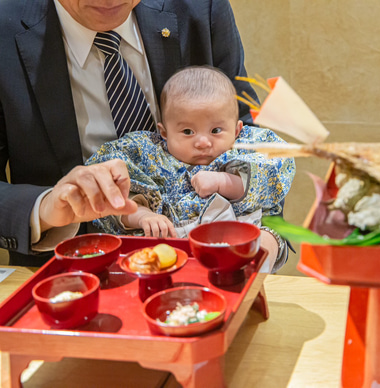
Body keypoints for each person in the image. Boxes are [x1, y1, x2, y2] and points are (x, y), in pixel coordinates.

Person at [0, 0, 287, 268]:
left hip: (212, 260)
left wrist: (267, 237)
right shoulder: (5, 25)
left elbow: (248, 139)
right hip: (69, 270)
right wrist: (44, 208)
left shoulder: (201, 8)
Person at [86, 66, 295, 267]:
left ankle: (250, 276)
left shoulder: (246, 145)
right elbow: (111, 189)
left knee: (270, 238)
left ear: (237, 129)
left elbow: (277, 171)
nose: (203, 142)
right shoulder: (146, 152)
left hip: (240, 234)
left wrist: (226, 182)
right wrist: (144, 216)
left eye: (216, 130)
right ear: (164, 132)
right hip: (172, 244)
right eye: (187, 131)